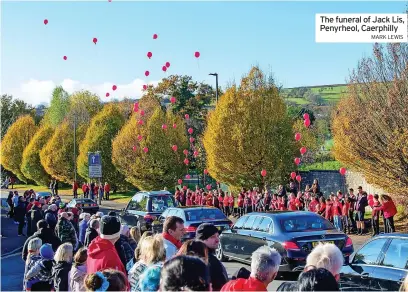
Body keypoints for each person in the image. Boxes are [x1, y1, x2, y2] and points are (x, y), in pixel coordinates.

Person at [196, 223, 228, 291]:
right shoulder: (210, 260)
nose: (217, 240)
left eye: (217, 236)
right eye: (212, 237)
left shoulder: (190, 254)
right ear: (202, 239)